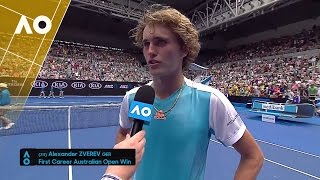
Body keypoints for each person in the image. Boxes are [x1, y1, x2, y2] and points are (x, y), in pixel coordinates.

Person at [114, 4, 264, 180]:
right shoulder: (133, 98)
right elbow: (122, 134)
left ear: (184, 49)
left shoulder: (210, 100)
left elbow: (253, 157)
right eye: (146, 44)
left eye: (160, 42)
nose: (150, 51)